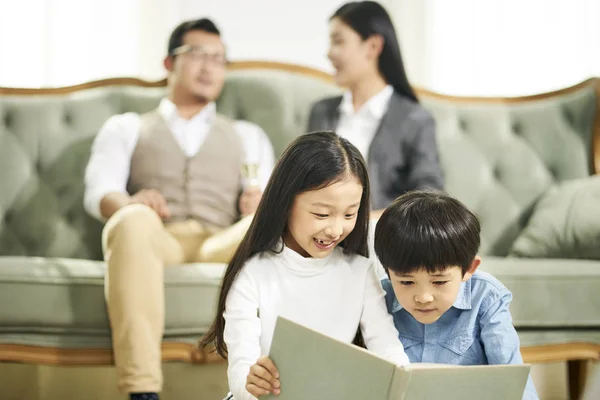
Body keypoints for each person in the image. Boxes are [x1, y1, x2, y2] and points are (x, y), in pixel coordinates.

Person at [83, 18, 274, 400]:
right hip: (159, 240)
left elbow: (269, 199)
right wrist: (132, 203)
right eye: (198, 55)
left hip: (221, 239)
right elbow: (100, 192)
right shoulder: (128, 127)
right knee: (131, 220)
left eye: (219, 59)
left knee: (266, 221)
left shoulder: (247, 134)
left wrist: (262, 204)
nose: (209, 67)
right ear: (169, 64)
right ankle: (143, 391)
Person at [200, 131, 409, 400]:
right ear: (286, 202)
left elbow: (388, 349)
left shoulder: (359, 272)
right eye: (322, 214)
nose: (336, 229)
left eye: (349, 214)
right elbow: (242, 369)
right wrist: (252, 383)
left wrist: (406, 383)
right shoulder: (254, 274)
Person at [374, 190, 539, 400]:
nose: (423, 297)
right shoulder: (379, 296)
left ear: (469, 268)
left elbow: (513, 379)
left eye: (439, 282)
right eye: (406, 282)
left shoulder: (487, 297)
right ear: (388, 271)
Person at [307, 1, 444, 219]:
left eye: (338, 42)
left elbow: (430, 198)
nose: (329, 53)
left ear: (373, 47)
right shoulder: (321, 112)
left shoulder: (415, 120)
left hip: (380, 238)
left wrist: (363, 222)